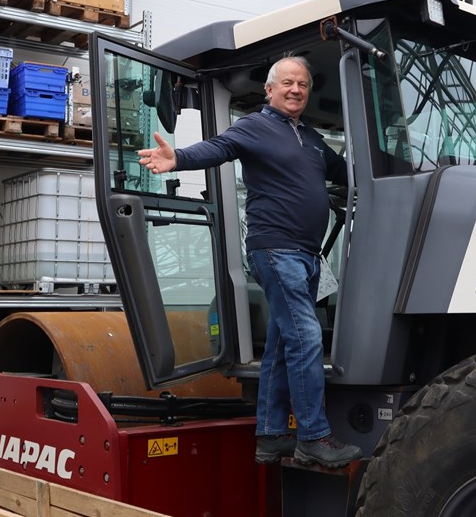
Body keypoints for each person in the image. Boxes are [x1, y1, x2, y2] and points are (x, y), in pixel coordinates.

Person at [137, 55, 363, 469]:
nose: (296, 90)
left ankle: (271, 436)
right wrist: (178, 158)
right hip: (276, 250)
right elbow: (219, 148)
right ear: (270, 89)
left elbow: (347, 172)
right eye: (288, 83)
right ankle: (313, 437)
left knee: (280, 346)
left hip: (308, 255)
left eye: (303, 85)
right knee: (306, 338)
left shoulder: (312, 139)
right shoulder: (255, 127)